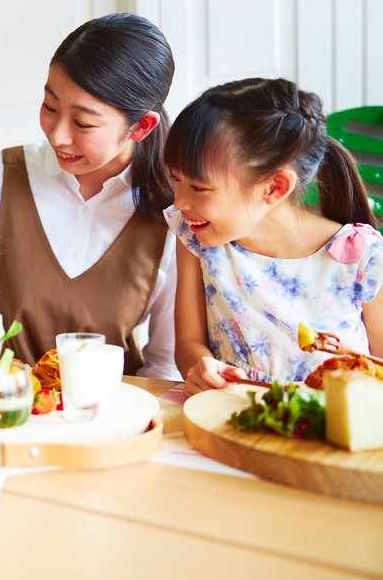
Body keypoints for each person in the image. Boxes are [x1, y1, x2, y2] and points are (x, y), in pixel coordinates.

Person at [0, 13, 180, 379]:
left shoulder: (174, 205)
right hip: (17, 398)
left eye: (83, 123)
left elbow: (165, 362)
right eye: (50, 107)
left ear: (141, 126)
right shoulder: (9, 172)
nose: (57, 136)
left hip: (118, 402)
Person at [164, 77, 383, 397]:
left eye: (198, 187)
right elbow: (188, 341)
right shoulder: (197, 235)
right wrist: (200, 366)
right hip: (228, 409)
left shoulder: (360, 255)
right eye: (176, 179)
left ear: (275, 188)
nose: (180, 202)